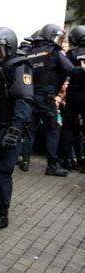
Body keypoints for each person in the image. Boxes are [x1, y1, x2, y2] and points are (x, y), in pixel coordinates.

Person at [0, 27, 34, 231]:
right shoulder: (3, 65)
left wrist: (15, 129)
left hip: (11, 129)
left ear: (9, 48)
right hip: (0, 126)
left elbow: (24, 100)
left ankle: (2, 215)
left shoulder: (19, 66)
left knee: (2, 172)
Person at [19, 24, 74, 175]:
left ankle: (25, 161)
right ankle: (52, 166)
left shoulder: (31, 51)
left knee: (31, 129)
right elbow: (70, 69)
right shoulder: (54, 51)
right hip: (47, 98)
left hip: (31, 96)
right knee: (53, 129)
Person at [60, 25, 85, 172]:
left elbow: (65, 72)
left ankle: (68, 159)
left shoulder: (72, 53)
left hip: (74, 96)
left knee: (68, 127)